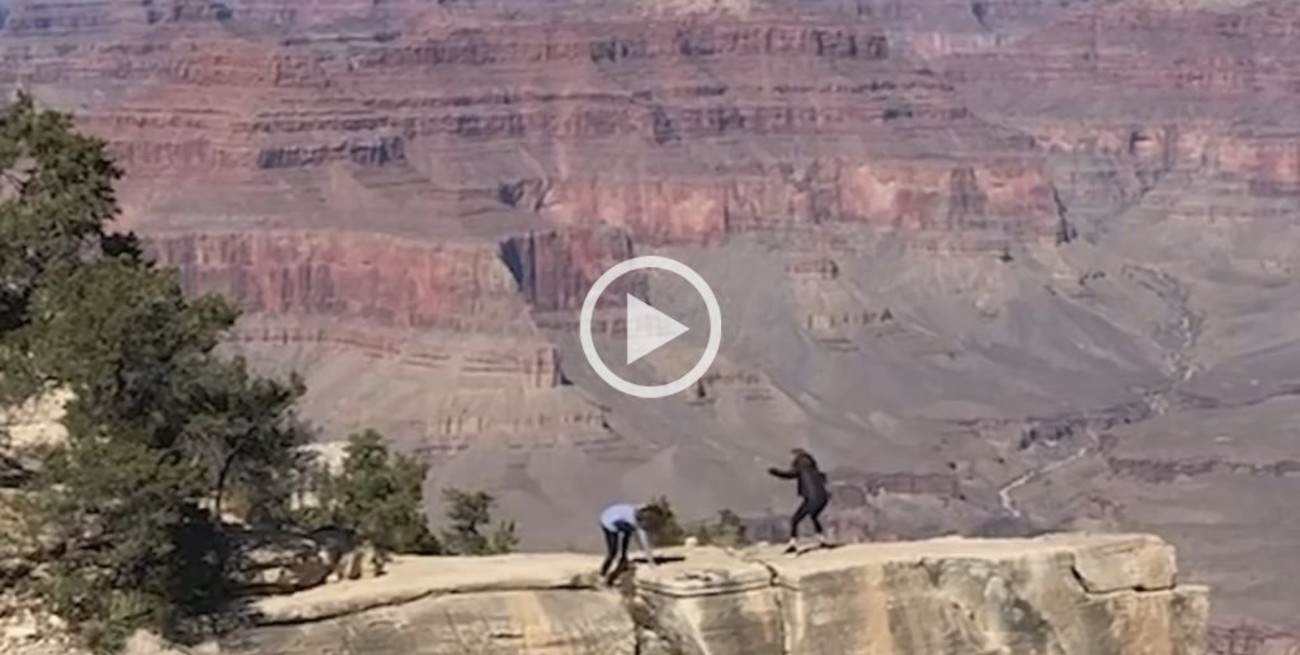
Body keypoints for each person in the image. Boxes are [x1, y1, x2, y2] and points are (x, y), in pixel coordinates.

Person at [768, 448, 831, 553]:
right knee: (814, 517)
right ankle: (822, 540)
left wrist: (775, 472)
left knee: (795, 520)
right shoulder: (812, 468)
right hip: (823, 498)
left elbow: (789, 474)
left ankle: (793, 544)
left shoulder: (801, 466)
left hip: (812, 499)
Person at [598, 502, 658, 584]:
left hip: (611, 515)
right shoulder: (633, 521)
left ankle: (623, 557)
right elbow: (642, 541)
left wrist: (650, 560)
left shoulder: (636, 510)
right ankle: (603, 573)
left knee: (628, 533)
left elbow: (644, 506)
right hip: (608, 522)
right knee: (613, 552)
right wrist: (651, 561)